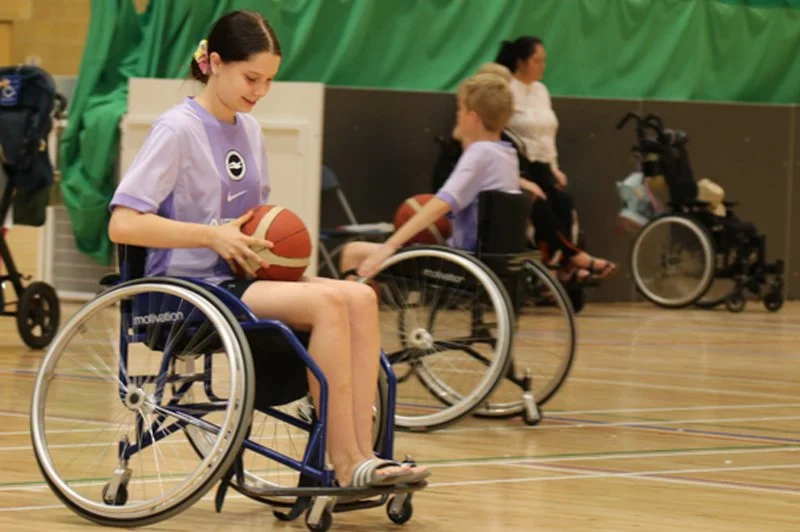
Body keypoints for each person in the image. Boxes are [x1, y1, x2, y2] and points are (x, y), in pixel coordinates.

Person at [107, 10, 427, 489]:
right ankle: (344, 464)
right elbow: (122, 224)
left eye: (269, 81)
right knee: (327, 305)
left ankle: (365, 454)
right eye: (250, 77)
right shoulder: (177, 130)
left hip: (240, 278)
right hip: (186, 290)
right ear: (214, 63)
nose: (259, 91)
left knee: (359, 296)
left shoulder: (251, 131)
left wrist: (262, 243)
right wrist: (210, 235)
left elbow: (254, 219)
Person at [340, 73, 520, 278]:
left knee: (353, 252)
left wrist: (388, 247)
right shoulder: (507, 153)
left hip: (464, 264)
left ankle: (362, 307)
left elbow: (439, 205)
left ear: (473, 118)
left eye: (460, 110)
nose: (458, 116)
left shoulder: (479, 154)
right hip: (494, 261)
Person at [496, 37, 617, 282]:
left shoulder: (541, 91)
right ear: (520, 62)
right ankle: (574, 258)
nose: (543, 66)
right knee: (538, 202)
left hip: (542, 165)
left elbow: (548, 135)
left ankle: (561, 267)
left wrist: (554, 168)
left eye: (544, 61)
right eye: (537, 60)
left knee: (562, 200)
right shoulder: (506, 88)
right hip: (518, 165)